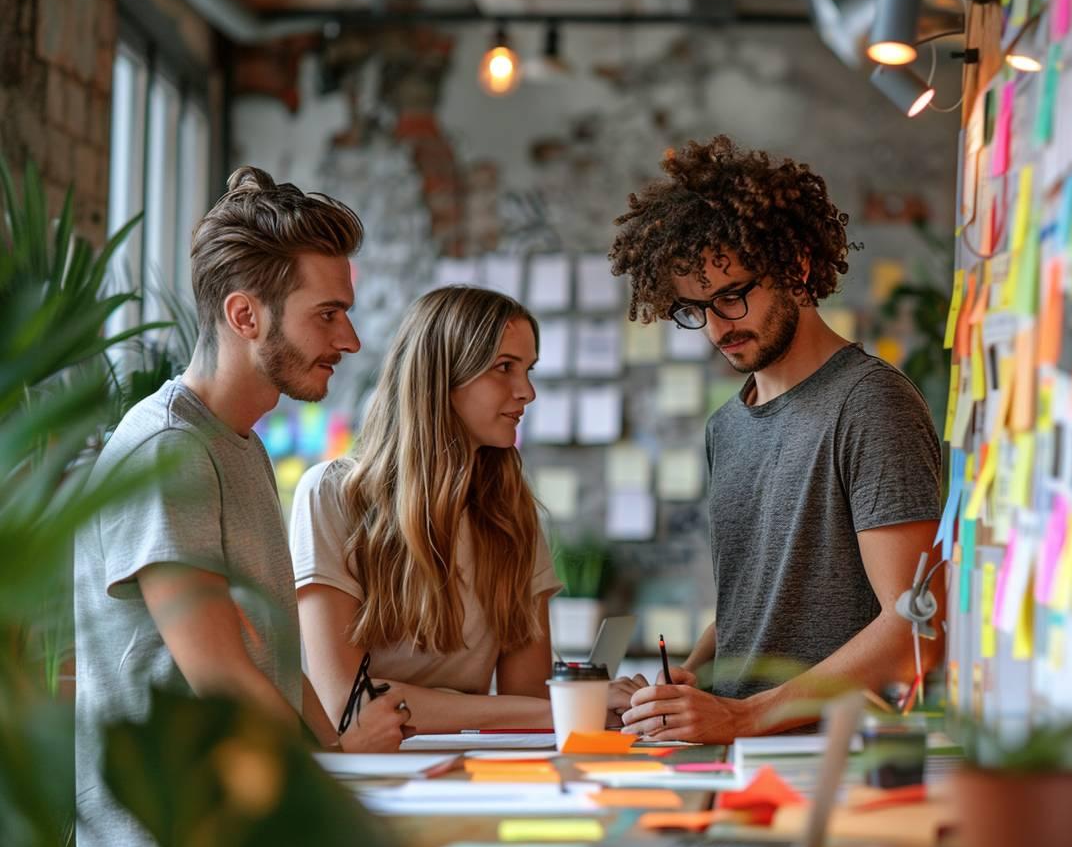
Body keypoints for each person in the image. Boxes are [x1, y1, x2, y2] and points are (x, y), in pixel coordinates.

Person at [74, 167, 409, 847]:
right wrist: (337, 776)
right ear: (244, 314)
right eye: (327, 314)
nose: (349, 339)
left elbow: (272, 665)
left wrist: (339, 761)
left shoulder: (241, 443)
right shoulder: (169, 449)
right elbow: (223, 678)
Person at [610, 136, 945, 744]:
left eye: (732, 295)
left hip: (827, 753)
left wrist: (744, 714)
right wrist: (695, 674)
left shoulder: (871, 403)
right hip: (738, 745)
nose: (717, 326)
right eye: (695, 308)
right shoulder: (727, 426)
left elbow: (915, 628)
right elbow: (760, 604)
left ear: (798, 267)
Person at [291, 286, 640, 733]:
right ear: (441, 378)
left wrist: (601, 704)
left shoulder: (512, 514)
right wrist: (561, 709)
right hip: (367, 780)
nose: (527, 392)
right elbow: (350, 705)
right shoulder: (333, 495)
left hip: (471, 769)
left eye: (528, 370)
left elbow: (527, 702)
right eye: (504, 368)